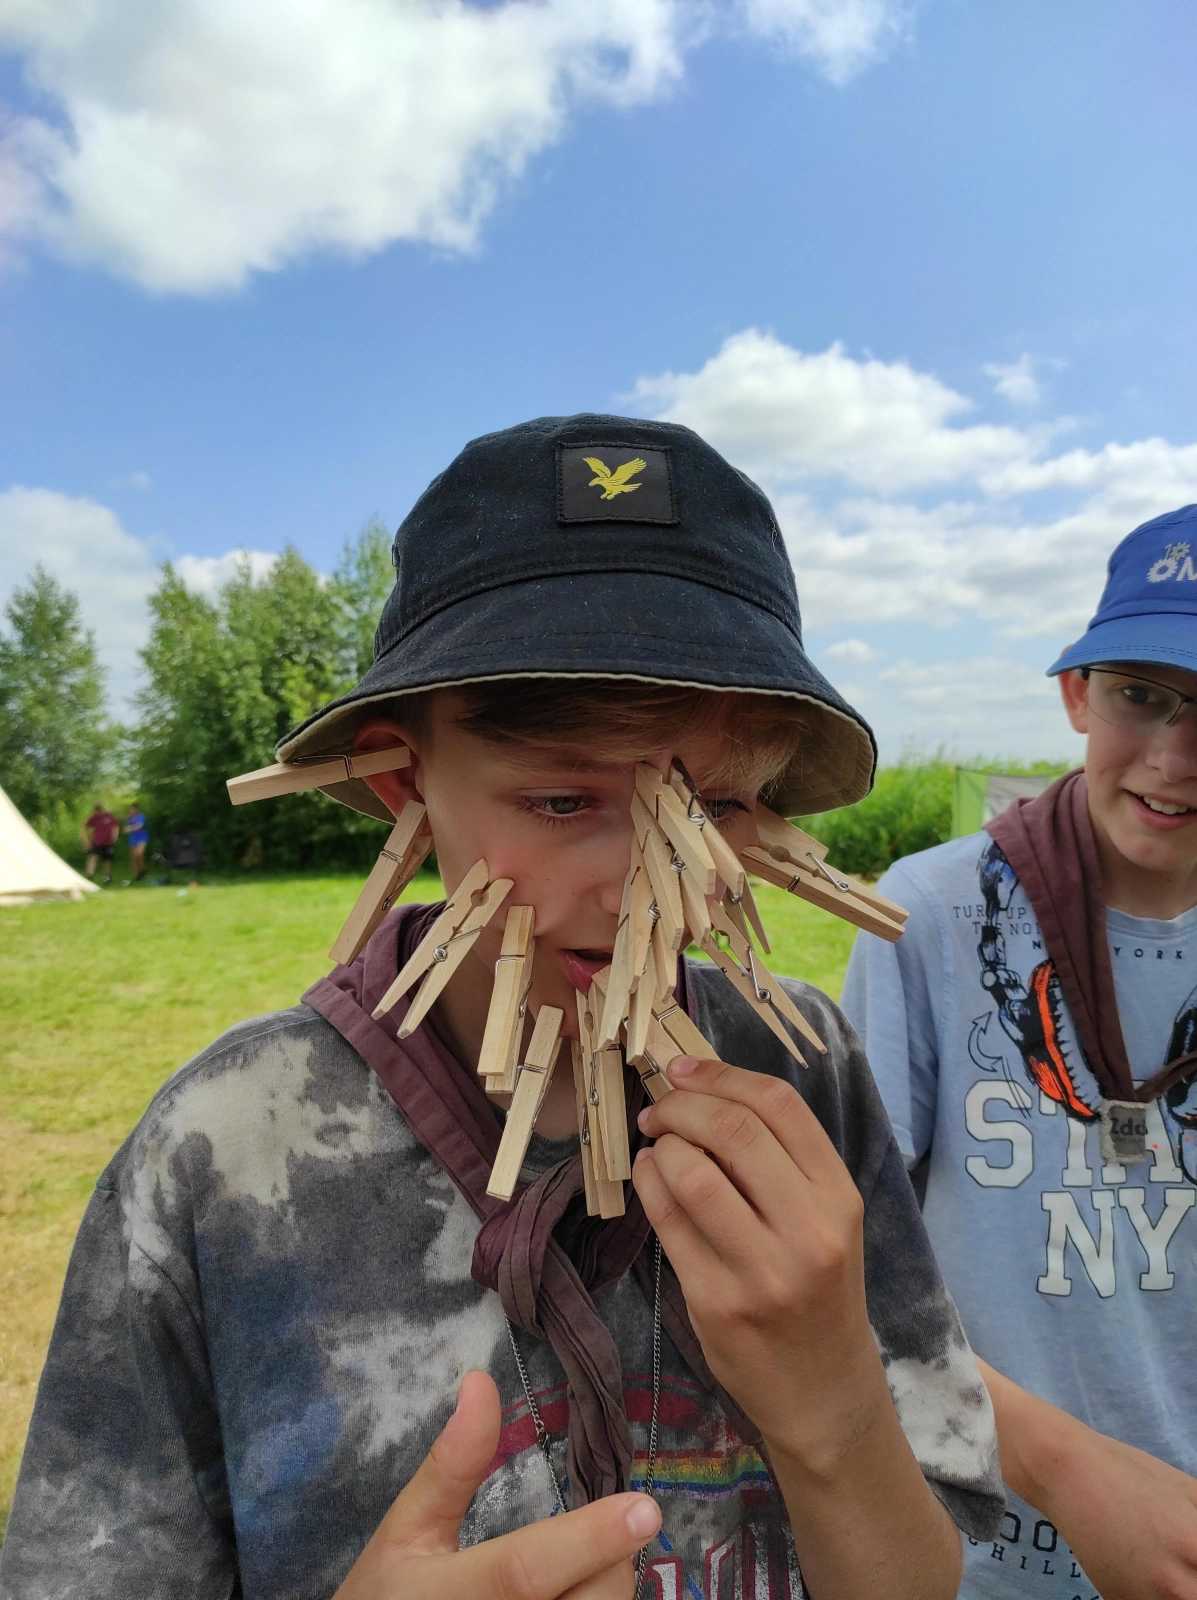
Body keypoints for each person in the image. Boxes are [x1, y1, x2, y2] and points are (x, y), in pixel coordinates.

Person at [1, 416, 1003, 1600]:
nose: (648, 896)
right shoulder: (227, 1151)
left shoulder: (807, 1071)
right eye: (565, 800)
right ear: (401, 780)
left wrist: (837, 1412)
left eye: (720, 808)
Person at [842, 501, 1197, 1600]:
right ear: (1078, 694)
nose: (1175, 757)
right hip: (984, 1555)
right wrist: (1066, 1468)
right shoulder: (931, 916)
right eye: (1142, 695)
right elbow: (849, 1265)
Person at [81, 801, 120, 884]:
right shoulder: (94, 817)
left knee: (108, 859)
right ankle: (89, 875)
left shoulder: (109, 816)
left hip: (108, 841)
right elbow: (84, 827)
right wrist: (86, 840)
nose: (98, 812)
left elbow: (115, 826)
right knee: (93, 857)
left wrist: (115, 836)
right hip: (97, 841)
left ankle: (107, 876)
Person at [123, 802, 148, 880]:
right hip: (133, 838)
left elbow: (139, 826)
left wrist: (130, 829)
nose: (131, 811)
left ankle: (142, 868)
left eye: (133, 809)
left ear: (137, 810)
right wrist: (126, 829)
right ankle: (136, 874)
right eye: (130, 809)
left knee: (139, 853)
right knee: (133, 857)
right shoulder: (128, 818)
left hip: (142, 837)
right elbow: (125, 828)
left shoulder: (141, 817)